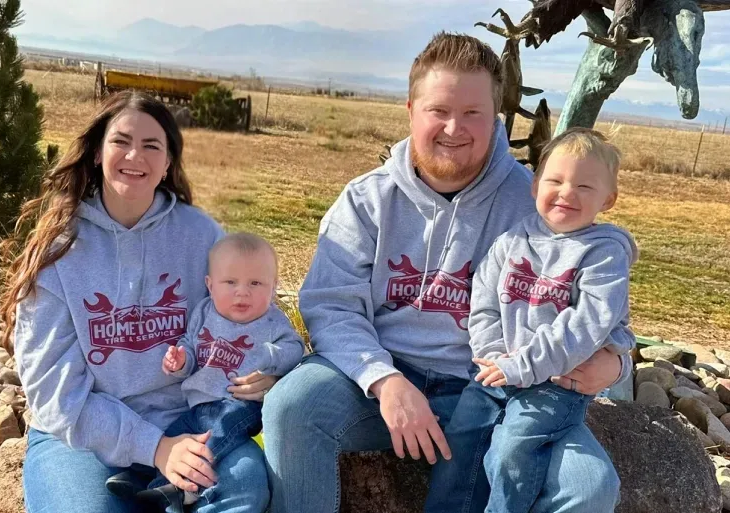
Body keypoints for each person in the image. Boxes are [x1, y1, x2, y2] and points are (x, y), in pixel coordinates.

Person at [261, 32, 631, 513]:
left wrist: (616, 365)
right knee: (292, 406)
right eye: (439, 110)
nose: (454, 128)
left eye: (473, 112)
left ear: (495, 118)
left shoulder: (539, 205)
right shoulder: (367, 200)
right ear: (411, 109)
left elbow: (598, 302)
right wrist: (384, 380)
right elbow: (331, 305)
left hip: (500, 390)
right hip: (377, 383)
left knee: (588, 486)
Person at [0, 91, 273, 513]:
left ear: (168, 163)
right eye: (121, 141)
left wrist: (266, 371)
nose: (135, 156)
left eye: (151, 146)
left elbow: (247, 317)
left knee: (246, 488)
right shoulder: (59, 249)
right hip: (81, 436)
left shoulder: (201, 236)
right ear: (96, 152)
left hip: (190, 423)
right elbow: (55, 392)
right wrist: (155, 448)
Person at [430, 127, 638, 512]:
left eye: (584, 186)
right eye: (555, 181)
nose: (566, 193)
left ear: (608, 200)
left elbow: (584, 326)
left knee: (513, 446)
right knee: (460, 437)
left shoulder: (604, 255)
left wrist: (523, 366)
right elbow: (484, 305)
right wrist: (493, 356)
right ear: (535, 185)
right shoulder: (511, 242)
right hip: (499, 371)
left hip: (555, 382)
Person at [107, 232, 305, 511]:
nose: (242, 291)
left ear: (273, 288)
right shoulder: (203, 312)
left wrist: (270, 357)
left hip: (240, 403)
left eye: (256, 283)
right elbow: (191, 346)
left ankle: (177, 489)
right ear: (210, 286)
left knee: (216, 436)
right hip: (199, 405)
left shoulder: (272, 321)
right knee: (176, 436)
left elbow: (295, 348)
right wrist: (181, 361)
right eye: (230, 282)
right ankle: (146, 478)